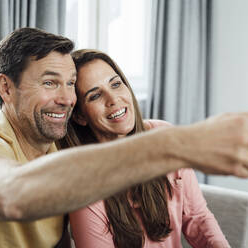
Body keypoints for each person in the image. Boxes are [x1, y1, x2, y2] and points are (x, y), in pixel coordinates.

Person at [0, 27, 248, 247]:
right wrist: (176, 144)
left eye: (70, 84)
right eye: (50, 82)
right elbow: (11, 195)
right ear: (6, 88)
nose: (67, 98)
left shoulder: (66, 151)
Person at [63, 49, 230, 248]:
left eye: (116, 84)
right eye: (95, 95)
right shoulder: (84, 189)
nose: (113, 99)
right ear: (80, 116)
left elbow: (197, 218)